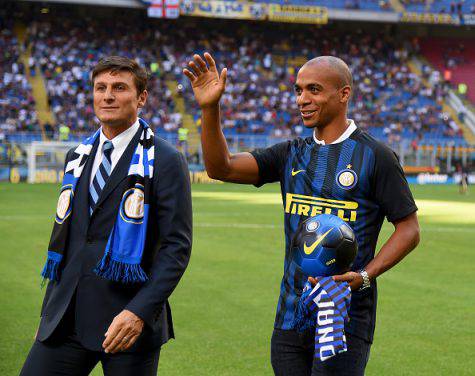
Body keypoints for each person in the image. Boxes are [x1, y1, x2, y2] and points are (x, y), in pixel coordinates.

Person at [184, 53, 420, 375]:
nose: (302, 99)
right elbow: (220, 167)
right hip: (290, 315)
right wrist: (210, 108)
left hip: (344, 318)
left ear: (344, 94)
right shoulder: (290, 153)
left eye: (314, 90)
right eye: (298, 90)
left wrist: (364, 277)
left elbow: (409, 229)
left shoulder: (375, 156)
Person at [21, 56, 192, 376]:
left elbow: (176, 247)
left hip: (127, 324)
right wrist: (48, 314)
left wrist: (138, 312)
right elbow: (68, 241)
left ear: (141, 98)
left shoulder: (165, 159)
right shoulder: (77, 156)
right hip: (65, 320)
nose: (108, 95)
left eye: (119, 87)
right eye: (100, 88)